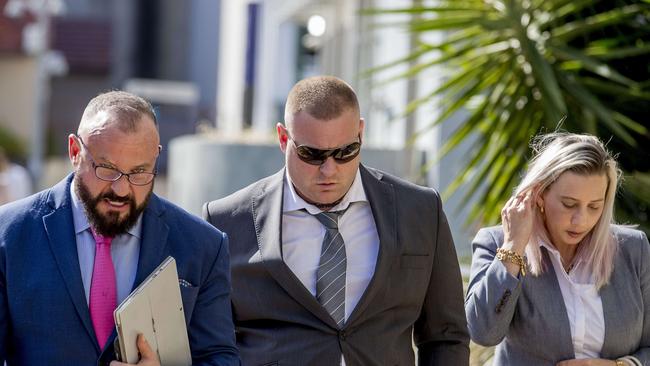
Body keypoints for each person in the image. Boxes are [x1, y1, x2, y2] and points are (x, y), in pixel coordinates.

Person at [203, 76, 469, 365]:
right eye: (311, 154)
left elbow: (446, 336)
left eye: (345, 152)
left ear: (361, 134)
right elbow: (208, 344)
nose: (329, 170)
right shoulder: (225, 222)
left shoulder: (420, 210)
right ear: (283, 139)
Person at [0, 91, 239, 365]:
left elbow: (221, 358)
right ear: (75, 152)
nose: (121, 189)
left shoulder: (203, 245)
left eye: (139, 172)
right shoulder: (9, 234)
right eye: (107, 169)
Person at [465, 132, 650, 365]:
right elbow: (483, 332)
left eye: (594, 206)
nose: (580, 220)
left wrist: (622, 365)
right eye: (569, 204)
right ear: (539, 194)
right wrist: (513, 246)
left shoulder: (634, 249)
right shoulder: (497, 243)